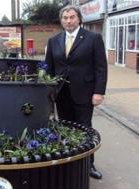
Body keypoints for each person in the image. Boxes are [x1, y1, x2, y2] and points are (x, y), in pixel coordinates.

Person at [45, 5, 107, 179]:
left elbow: (100, 68)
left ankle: (89, 165)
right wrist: (48, 93)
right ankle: (68, 162)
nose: (68, 21)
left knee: (85, 128)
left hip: (85, 93)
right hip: (61, 93)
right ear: (61, 20)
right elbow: (49, 70)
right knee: (65, 128)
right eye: (65, 18)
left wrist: (99, 92)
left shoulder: (93, 38)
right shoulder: (54, 40)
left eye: (72, 17)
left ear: (79, 18)